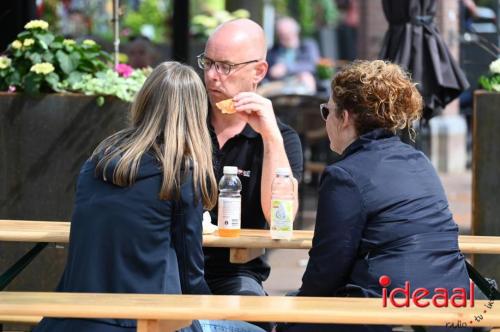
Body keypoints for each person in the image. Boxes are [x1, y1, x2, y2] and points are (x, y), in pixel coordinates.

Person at [33, 62, 264, 332]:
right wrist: (210, 311)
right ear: (196, 113)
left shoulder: (98, 160)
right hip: (140, 322)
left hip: (71, 319)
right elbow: (190, 272)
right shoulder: (178, 174)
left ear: (144, 101)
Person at [277, 60, 471, 332]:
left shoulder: (344, 175)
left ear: (345, 118)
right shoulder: (419, 161)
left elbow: (326, 269)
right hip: (453, 312)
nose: (326, 119)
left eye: (327, 111)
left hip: (394, 316)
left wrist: (293, 315)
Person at [197, 19, 303, 331]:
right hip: (172, 266)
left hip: (236, 273)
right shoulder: (185, 123)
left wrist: (269, 136)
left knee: (256, 323)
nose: (213, 76)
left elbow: (280, 218)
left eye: (225, 66)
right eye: (208, 63)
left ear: (258, 71)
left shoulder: (279, 139)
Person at [265, 17, 320, 94]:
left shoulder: (307, 46)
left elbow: (311, 65)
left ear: (296, 32)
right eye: (281, 34)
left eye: (288, 33)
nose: (285, 37)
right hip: (277, 85)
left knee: (306, 77)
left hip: (299, 83)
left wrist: (286, 67)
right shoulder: (273, 51)